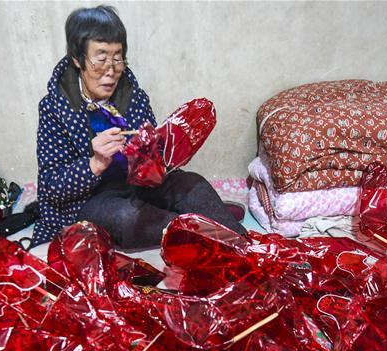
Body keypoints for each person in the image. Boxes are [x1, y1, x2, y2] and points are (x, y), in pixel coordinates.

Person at [32, 5, 247, 249]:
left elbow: (154, 167)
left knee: (192, 185)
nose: (111, 72)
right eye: (101, 60)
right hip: (90, 200)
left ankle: (245, 245)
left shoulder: (132, 95)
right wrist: (95, 164)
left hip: (138, 188)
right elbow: (51, 188)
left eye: (117, 58)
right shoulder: (54, 107)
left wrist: (165, 149)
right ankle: (207, 233)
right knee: (127, 218)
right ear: (78, 59)